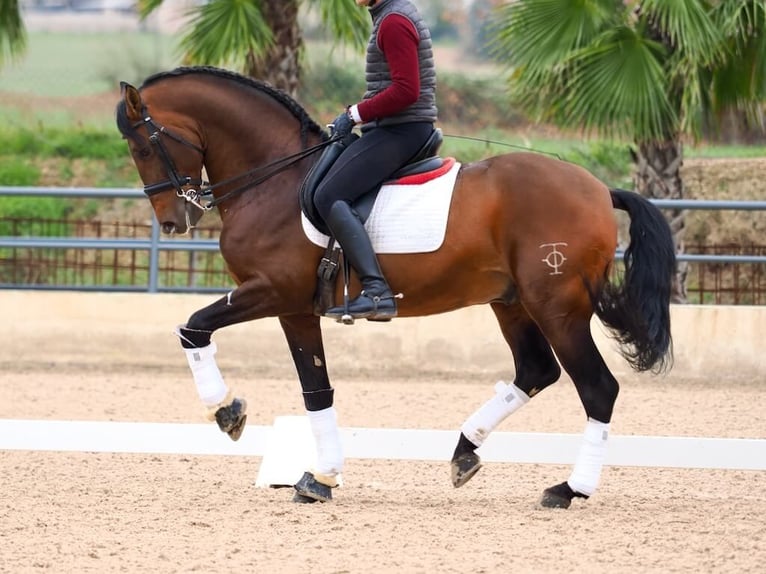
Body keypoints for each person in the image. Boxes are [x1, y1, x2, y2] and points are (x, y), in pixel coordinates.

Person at [314, 0, 438, 321]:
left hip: (402, 130)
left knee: (329, 195)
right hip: (393, 127)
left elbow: (406, 90)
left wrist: (354, 114)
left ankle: (376, 290)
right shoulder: (388, 15)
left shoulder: (394, 21)